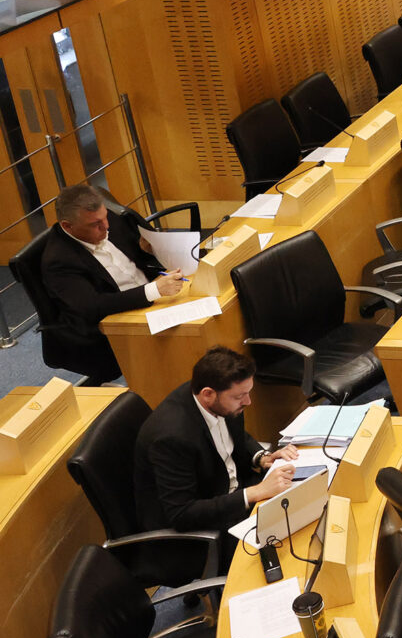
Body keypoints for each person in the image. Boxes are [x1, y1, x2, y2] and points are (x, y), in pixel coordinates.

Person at [132, 348, 299, 563]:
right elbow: (181, 513)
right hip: (200, 530)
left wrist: (261, 457)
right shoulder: (172, 437)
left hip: (230, 492)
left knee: (302, 510)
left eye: (248, 393)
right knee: (286, 553)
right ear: (208, 394)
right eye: (240, 396)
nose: (248, 402)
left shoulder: (221, 399)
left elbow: (235, 435)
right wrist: (255, 492)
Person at [38, 183, 184, 383]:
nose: (106, 226)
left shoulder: (107, 219)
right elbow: (93, 306)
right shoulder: (58, 261)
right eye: (95, 224)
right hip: (118, 320)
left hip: (155, 295)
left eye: (105, 217)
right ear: (67, 226)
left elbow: (139, 252)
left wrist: (152, 250)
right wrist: (153, 290)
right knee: (185, 340)